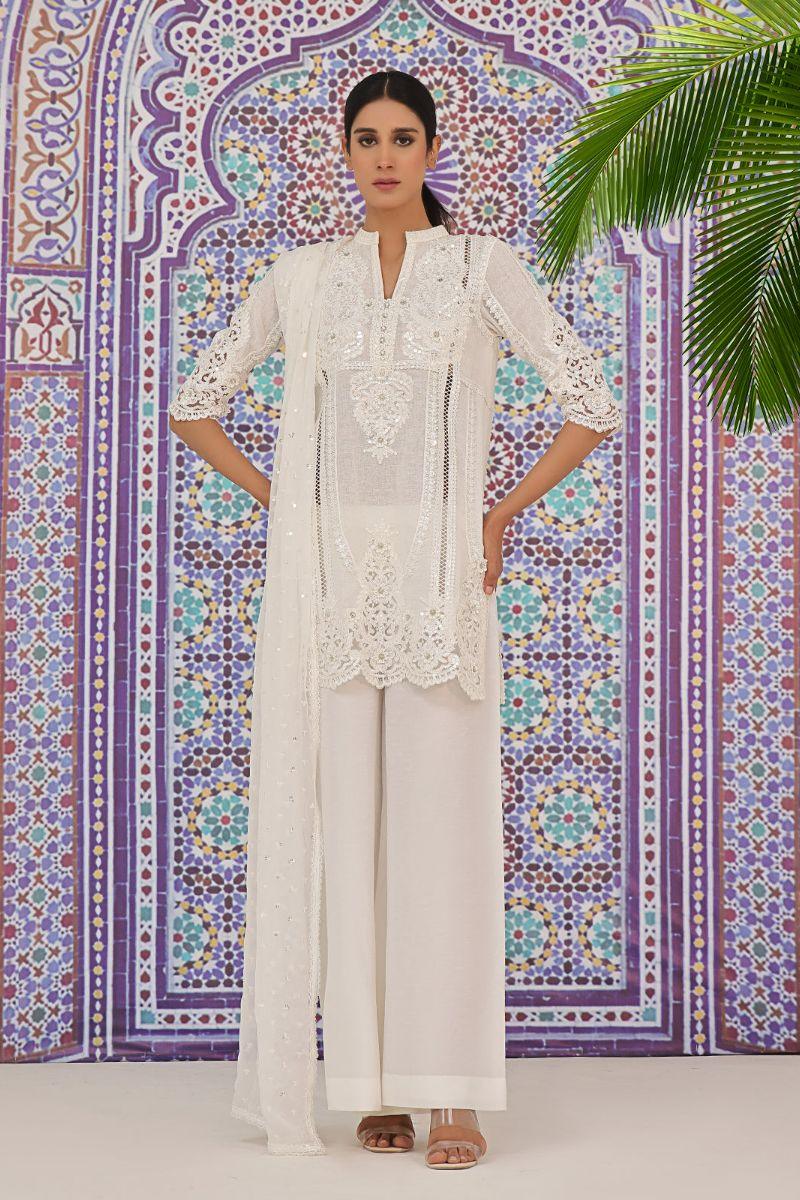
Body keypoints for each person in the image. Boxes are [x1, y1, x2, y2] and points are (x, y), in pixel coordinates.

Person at [169, 68, 622, 1168]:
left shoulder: (478, 269)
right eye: (366, 138)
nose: (383, 156)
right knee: (349, 841)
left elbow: (590, 400)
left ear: (430, 151)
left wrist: (497, 516)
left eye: (402, 138)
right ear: (345, 152)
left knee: (442, 837)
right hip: (325, 595)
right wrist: (291, 503)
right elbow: (195, 402)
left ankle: (452, 1097)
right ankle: (372, 1086)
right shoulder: (302, 278)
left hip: (439, 588)